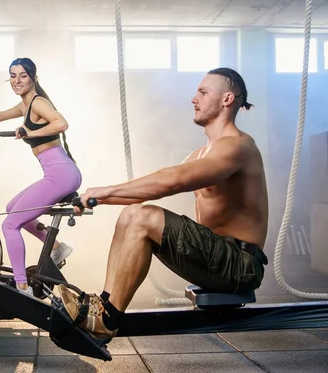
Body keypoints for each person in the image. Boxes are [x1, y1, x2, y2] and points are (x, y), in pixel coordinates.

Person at [59, 67, 269, 339]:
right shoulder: (201, 153)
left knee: (144, 217)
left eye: (203, 92)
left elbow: (171, 181)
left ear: (227, 99)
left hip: (240, 265)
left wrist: (106, 190)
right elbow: (145, 192)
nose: (194, 99)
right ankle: (103, 306)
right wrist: (92, 199)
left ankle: (107, 320)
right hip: (214, 260)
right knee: (131, 214)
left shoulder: (238, 146)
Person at [0, 57, 82, 296]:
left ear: (34, 78)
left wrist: (31, 131)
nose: (17, 80)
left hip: (61, 174)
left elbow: (62, 123)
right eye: (13, 75)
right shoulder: (26, 105)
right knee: (12, 208)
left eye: (23, 75)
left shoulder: (39, 102)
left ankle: (22, 286)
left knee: (10, 224)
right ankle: (57, 247)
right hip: (57, 173)